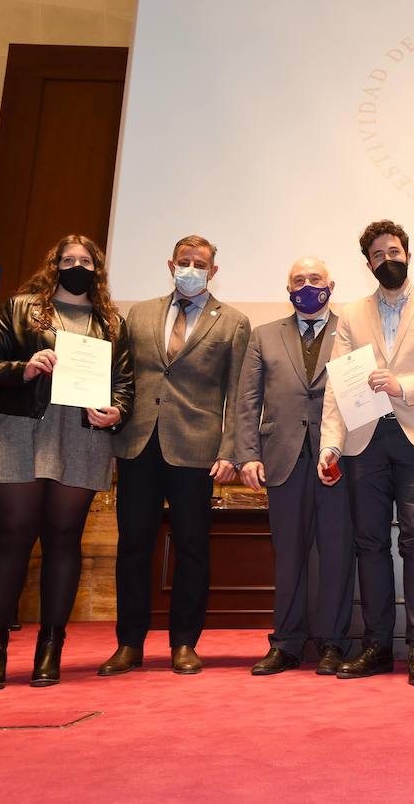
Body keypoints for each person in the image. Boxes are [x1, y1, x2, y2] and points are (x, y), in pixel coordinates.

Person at [0, 234, 133, 691]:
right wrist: (24, 367)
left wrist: (117, 410)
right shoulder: (21, 308)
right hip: (20, 432)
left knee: (64, 542)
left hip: (81, 439)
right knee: (12, 542)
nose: (76, 266)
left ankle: (50, 650)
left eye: (85, 261)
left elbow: (125, 383)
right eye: (68, 259)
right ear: (53, 264)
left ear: (97, 271)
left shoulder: (112, 323)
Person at [318, 220, 414, 686]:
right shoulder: (351, 315)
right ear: (369, 264)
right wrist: (331, 443)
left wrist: (405, 385)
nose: (389, 258)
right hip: (365, 441)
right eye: (379, 254)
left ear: (408, 254)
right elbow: (337, 387)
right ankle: (377, 646)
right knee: (369, 544)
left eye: (395, 250)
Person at [98, 235, 251, 678]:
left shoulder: (234, 322)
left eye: (199, 263)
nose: (190, 268)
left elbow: (238, 394)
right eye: (183, 261)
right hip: (136, 444)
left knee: (192, 548)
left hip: (197, 450)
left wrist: (230, 450)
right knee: (133, 547)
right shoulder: (139, 313)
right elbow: (121, 376)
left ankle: (184, 642)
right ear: (170, 264)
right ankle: (129, 643)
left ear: (213, 270)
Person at [236, 257, 354, 676]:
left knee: (337, 554)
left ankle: (332, 643)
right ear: (288, 288)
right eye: (298, 280)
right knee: (288, 556)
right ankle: (285, 643)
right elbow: (247, 400)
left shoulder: (352, 332)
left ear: (331, 284)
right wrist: (247, 453)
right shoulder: (264, 335)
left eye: (315, 278)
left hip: (337, 458)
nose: (307, 285)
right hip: (281, 459)